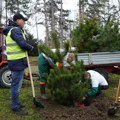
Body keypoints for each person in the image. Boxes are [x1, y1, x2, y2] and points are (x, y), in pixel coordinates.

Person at [3, 13, 33, 116]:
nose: (24, 22)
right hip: (17, 62)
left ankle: (16, 103)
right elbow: (22, 44)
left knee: (16, 84)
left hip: (16, 62)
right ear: (17, 20)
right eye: (23, 20)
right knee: (16, 85)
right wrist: (31, 48)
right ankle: (15, 107)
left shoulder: (12, 30)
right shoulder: (15, 30)